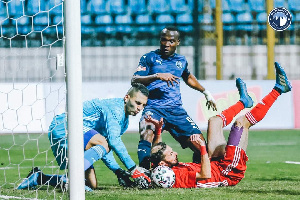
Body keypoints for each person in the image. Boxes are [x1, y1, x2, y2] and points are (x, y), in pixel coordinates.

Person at [149, 62, 292, 188]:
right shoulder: (176, 177)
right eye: (171, 154)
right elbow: (205, 174)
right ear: (163, 164)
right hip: (228, 171)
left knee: (214, 121)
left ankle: (243, 102)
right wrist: (203, 148)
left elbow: (156, 154)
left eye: (172, 151)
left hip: (215, 163)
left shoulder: (161, 169)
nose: (175, 153)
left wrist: (158, 132)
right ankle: (279, 89)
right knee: (241, 123)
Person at [17, 83, 151, 190]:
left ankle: (38, 178)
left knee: (90, 184)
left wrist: (118, 171)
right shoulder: (114, 109)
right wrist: (133, 168)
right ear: (127, 98)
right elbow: (111, 142)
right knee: (102, 145)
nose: (140, 108)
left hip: (77, 135)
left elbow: (106, 148)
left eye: (143, 105)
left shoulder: (124, 122)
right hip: (63, 126)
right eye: (138, 103)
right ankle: (73, 177)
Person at [131, 26, 217, 169]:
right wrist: (157, 76)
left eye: (171, 41)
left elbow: (188, 77)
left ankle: (196, 174)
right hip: (154, 108)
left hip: (176, 111)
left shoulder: (181, 61)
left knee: (200, 145)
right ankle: (144, 174)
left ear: (178, 42)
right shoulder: (149, 58)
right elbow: (135, 80)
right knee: (147, 132)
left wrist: (205, 92)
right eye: (163, 40)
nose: (166, 44)